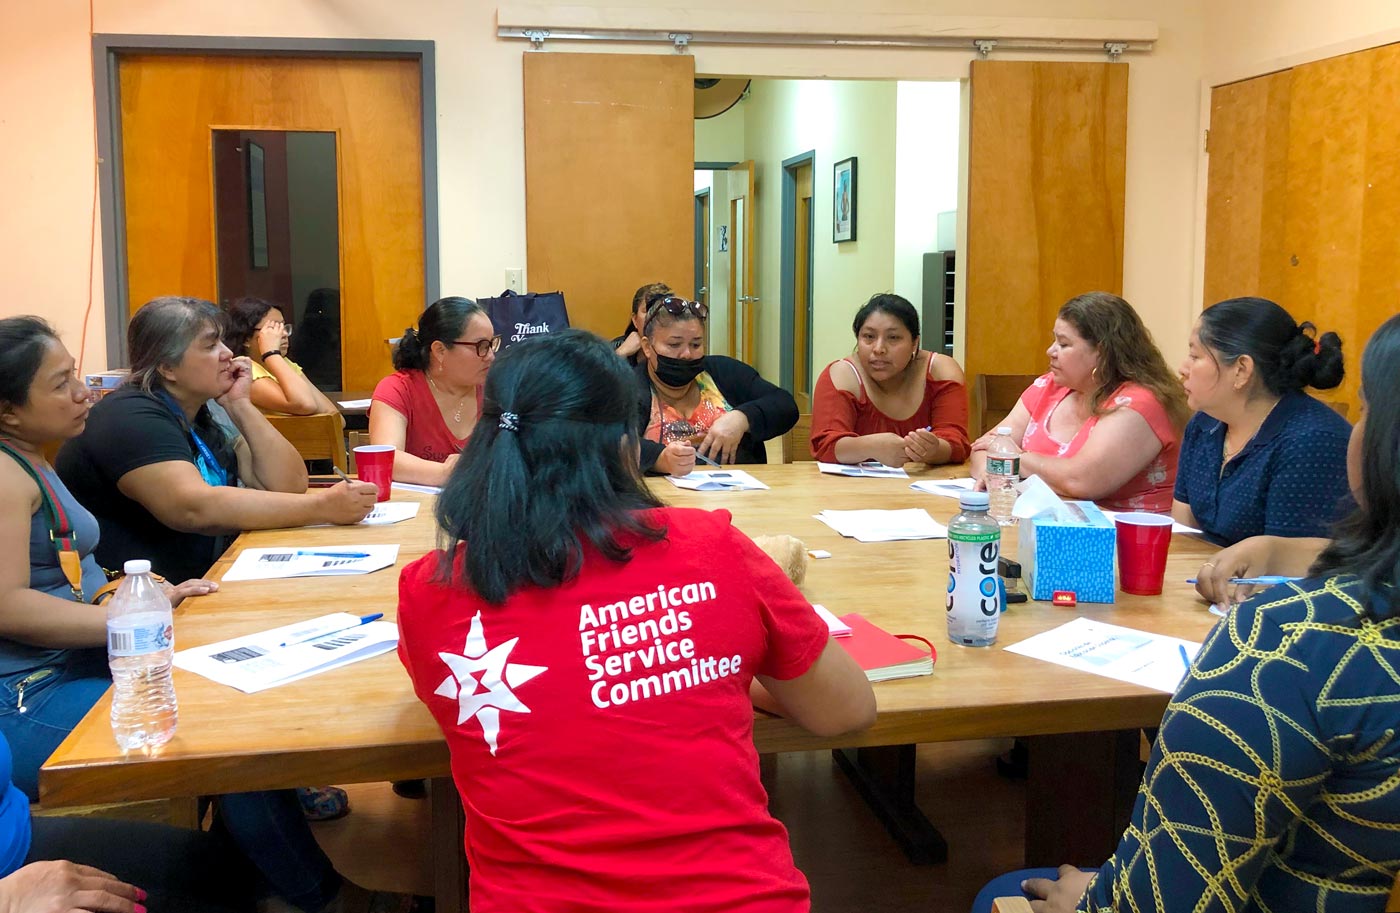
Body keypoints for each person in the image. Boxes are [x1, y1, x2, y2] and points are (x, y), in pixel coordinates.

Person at [397, 329, 876, 912]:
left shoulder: (429, 589)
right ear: (628, 445)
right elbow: (847, 710)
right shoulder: (711, 547)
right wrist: (715, 672)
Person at [973, 313, 1400, 913]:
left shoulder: (1294, 643)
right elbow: (1185, 521)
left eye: (1368, 411)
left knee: (1001, 892)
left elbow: (1170, 888)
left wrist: (1093, 895)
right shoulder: (1204, 430)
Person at [0, 317, 393, 913]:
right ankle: (316, 896)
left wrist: (128, 591)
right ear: (8, 410)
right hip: (27, 694)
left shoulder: (34, 457)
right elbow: (9, 606)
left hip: (73, 659)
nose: (83, 391)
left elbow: (65, 575)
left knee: (236, 700)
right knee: (221, 725)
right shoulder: (12, 471)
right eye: (61, 383)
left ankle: (268, 878)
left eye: (77, 375)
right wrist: (133, 619)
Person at [56, 297, 378, 583]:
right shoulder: (131, 415)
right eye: (211, 346)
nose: (228, 354)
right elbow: (193, 508)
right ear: (168, 367)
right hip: (143, 602)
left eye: (224, 342)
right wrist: (321, 507)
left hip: (209, 576)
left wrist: (240, 405)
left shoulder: (205, 410)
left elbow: (288, 484)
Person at [970, 292, 1189, 513]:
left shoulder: (1140, 403)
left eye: (1064, 344)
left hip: (1129, 539)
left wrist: (1013, 458)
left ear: (1102, 353)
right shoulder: (1049, 386)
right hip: (1048, 524)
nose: (1051, 351)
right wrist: (987, 475)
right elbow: (982, 447)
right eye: (1054, 340)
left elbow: (1081, 480)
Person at [1172, 297, 1350, 545]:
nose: (1183, 368)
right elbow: (1183, 531)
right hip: (1203, 576)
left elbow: (1287, 563)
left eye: (1195, 355)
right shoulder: (1204, 424)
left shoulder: (1311, 442)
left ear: (1242, 369)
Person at [633, 293, 797, 474]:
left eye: (696, 345)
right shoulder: (627, 387)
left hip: (741, 495)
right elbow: (612, 441)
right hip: (662, 496)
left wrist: (743, 418)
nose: (686, 354)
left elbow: (785, 405)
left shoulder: (724, 372)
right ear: (647, 347)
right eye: (674, 345)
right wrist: (660, 458)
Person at [810, 293, 969, 466]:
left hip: (922, 487)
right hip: (853, 490)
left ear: (915, 343)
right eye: (869, 337)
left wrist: (934, 450)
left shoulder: (940, 371)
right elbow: (825, 446)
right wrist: (870, 447)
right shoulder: (842, 374)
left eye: (893, 338)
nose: (879, 349)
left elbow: (957, 442)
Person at [370, 296, 498, 486]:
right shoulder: (399, 389)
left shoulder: (497, 391)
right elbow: (387, 459)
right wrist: (446, 473)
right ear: (440, 351)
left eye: (492, 344)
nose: (491, 356)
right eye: (481, 346)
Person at [221, 296, 338, 416]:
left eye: (283, 327)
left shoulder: (284, 363)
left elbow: (335, 417)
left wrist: (274, 356)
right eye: (273, 328)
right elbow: (305, 404)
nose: (284, 334)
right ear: (246, 338)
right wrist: (271, 353)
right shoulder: (243, 372)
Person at [612, 281, 671, 365]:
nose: (653, 316)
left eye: (661, 310)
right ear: (635, 320)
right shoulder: (616, 347)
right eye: (648, 310)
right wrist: (621, 353)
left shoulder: (680, 350)